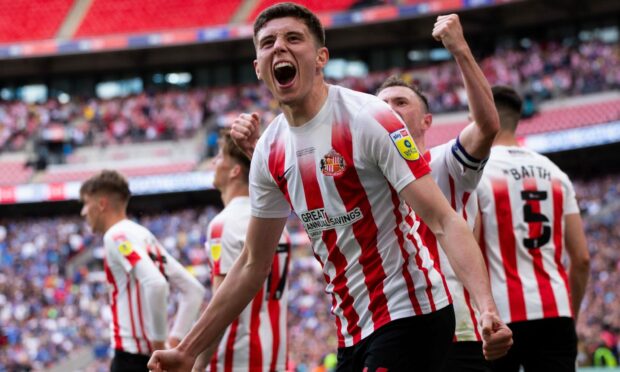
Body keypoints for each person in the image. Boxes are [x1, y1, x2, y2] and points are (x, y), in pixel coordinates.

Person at [148, 4, 512, 372]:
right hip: (351, 331)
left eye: (293, 38)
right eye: (268, 42)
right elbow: (252, 264)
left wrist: (487, 310)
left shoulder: (368, 119)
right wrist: (188, 349)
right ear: (258, 67)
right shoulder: (270, 150)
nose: (279, 48)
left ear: (321, 57)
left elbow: (443, 219)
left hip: (411, 313)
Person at [374, 14, 499, 372]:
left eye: (400, 102)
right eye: (381, 103)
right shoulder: (368, 180)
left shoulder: (443, 163)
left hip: (454, 331)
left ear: (427, 122)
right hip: (390, 332)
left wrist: (459, 49)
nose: (388, 109)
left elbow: (488, 125)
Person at [475, 85, 590, 372]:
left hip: (500, 315)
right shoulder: (556, 173)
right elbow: (582, 259)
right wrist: (569, 313)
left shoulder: (479, 173)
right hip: (556, 310)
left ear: (483, 119)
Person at [79, 170, 206, 372]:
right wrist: (174, 341)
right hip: (149, 359)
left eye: (86, 203)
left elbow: (156, 283)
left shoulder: (115, 236)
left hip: (131, 359)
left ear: (101, 204)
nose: (83, 212)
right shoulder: (142, 234)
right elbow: (194, 290)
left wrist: (159, 344)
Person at [193, 132, 290, 371]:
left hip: (235, 358)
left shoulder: (224, 224)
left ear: (235, 170)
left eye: (219, 156)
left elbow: (220, 303)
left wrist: (195, 364)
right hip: (275, 355)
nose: (214, 163)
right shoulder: (277, 226)